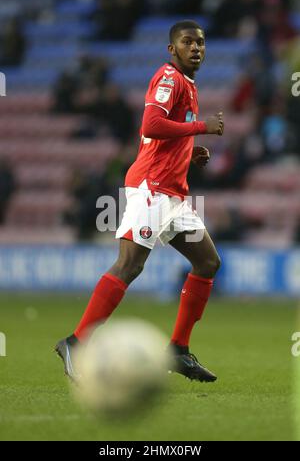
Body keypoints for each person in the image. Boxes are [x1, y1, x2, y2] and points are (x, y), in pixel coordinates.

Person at [55, 20, 224, 382]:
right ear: (172, 49)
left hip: (173, 193)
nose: (196, 48)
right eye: (187, 42)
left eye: (201, 43)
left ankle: (177, 350)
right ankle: (77, 342)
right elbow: (150, 124)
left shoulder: (188, 85)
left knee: (207, 261)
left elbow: (164, 134)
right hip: (152, 189)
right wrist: (200, 128)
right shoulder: (169, 78)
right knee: (129, 265)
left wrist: (188, 152)